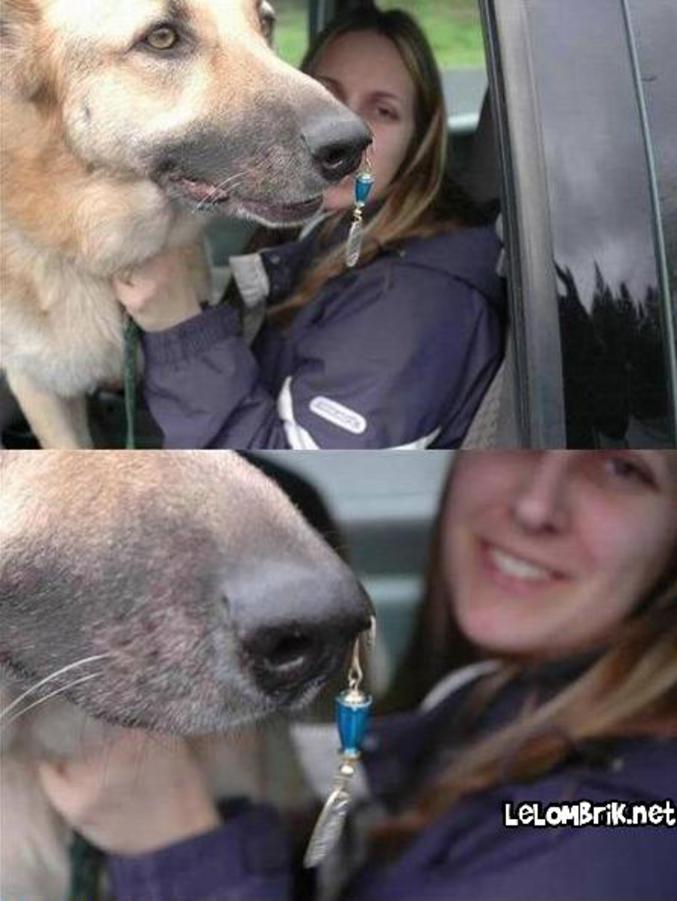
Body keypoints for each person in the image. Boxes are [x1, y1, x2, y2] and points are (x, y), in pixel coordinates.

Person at [39, 451, 677, 899]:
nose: (537, 506)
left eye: (624, 469)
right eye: (521, 445)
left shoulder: (620, 822)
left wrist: (175, 846)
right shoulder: (483, 724)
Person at [114, 8, 504, 449]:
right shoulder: (318, 229)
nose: (343, 127)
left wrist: (179, 326)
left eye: (384, 110)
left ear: (418, 145)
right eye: (326, 91)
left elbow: (289, 474)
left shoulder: (417, 300)